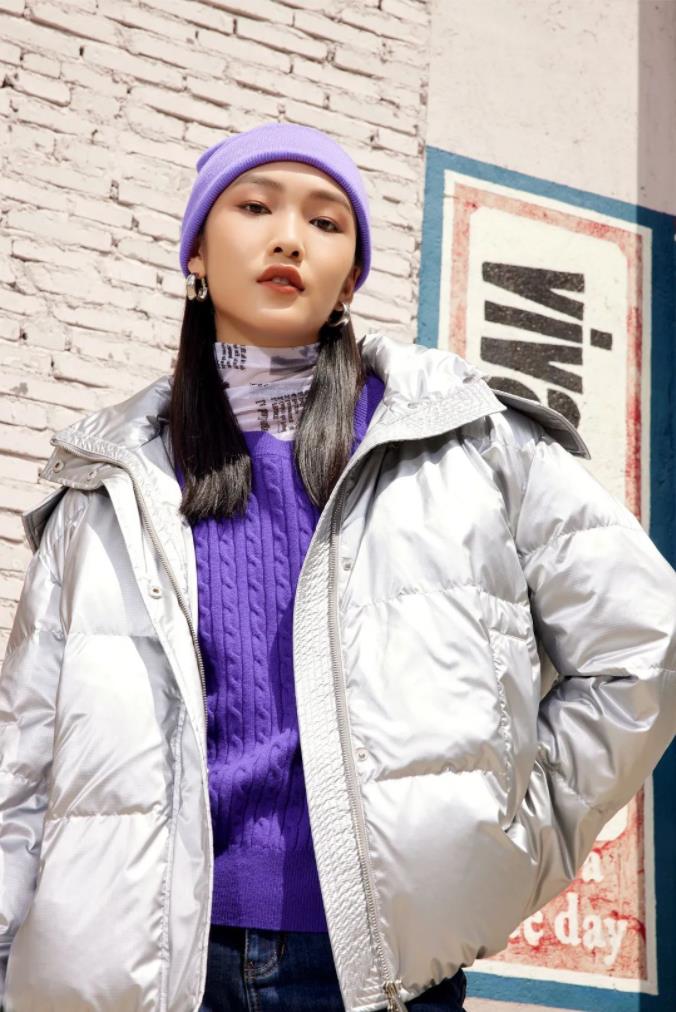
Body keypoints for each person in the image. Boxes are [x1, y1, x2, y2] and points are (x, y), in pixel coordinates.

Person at [0, 122, 674, 1012]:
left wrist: (518, 838)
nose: (289, 238)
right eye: (255, 207)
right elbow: (23, 760)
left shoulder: (467, 440)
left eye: (326, 222)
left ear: (351, 276)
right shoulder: (108, 483)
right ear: (196, 252)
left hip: (373, 977)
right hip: (140, 971)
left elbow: (642, 645)